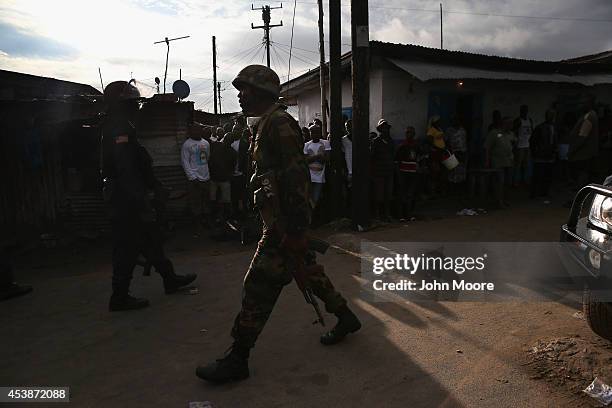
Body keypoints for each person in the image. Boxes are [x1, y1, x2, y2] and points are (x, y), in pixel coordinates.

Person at [196, 65, 361, 384]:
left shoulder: (279, 124)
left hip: (284, 228)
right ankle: (345, 317)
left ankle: (238, 358)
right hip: (280, 223)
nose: (240, 96)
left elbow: (296, 179)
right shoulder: (263, 124)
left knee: (257, 286)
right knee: (309, 272)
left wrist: (297, 231)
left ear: (261, 92)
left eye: (244, 90)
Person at [100, 81, 196, 311]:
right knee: (127, 248)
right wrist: (141, 199)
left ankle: (169, 278)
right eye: (132, 103)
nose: (137, 108)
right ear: (121, 105)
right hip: (126, 200)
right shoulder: (118, 128)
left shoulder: (123, 126)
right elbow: (126, 170)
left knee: (151, 241)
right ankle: (119, 296)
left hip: (129, 196)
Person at [181, 123, 211, 237]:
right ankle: (197, 226)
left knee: (206, 201)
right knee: (195, 203)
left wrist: (206, 175)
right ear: (190, 131)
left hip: (206, 177)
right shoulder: (187, 145)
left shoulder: (206, 143)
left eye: (199, 130)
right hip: (194, 180)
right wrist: (193, 178)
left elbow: (207, 158)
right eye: (195, 130)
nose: (197, 132)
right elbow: (185, 162)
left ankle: (206, 222)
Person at [485, 116, 516, 208]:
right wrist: (487, 161)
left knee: (507, 182)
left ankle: (505, 200)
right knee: (499, 182)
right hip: (498, 161)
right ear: (504, 124)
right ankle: (499, 201)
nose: (511, 125)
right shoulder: (495, 133)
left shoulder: (511, 134)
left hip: (509, 161)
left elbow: (514, 143)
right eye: (509, 123)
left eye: (511, 124)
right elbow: (487, 148)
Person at [569, 97, 599, 189]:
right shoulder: (592, 115)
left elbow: (582, 137)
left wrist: (572, 150)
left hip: (583, 154)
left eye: (583, 103)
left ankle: (579, 199)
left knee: (581, 177)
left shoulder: (588, 117)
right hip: (588, 153)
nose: (580, 106)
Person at [208, 133, 237, 223]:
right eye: (226, 139)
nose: (226, 141)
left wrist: (229, 176)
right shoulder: (215, 146)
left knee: (225, 200)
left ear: (231, 142)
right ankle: (216, 217)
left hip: (223, 179)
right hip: (214, 178)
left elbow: (233, 167)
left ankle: (225, 217)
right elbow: (210, 160)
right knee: (214, 199)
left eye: (228, 140)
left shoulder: (233, 152)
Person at [371, 119, 395, 220]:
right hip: (379, 172)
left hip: (389, 171)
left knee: (388, 194)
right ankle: (377, 215)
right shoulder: (376, 142)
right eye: (383, 128)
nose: (386, 130)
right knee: (379, 195)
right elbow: (372, 157)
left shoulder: (390, 141)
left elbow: (393, 155)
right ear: (380, 130)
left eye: (387, 128)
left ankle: (387, 214)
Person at [530, 109, 557, 201]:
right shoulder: (540, 127)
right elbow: (533, 141)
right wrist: (535, 152)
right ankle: (534, 193)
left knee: (547, 175)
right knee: (538, 175)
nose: (551, 117)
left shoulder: (554, 127)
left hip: (550, 155)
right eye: (549, 115)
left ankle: (544, 192)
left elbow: (554, 141)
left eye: (552, 116)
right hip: (540, 156)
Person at [394, 126, 419, 220]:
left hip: (413, 173)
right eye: (408, 132)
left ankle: (409, 214)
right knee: (402, 194)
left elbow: (418, 158)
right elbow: (396, 162)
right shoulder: (402, 146)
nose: (409, 134)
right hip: (403, 173)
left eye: (411, 132)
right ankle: (400, 215)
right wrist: (399, 174)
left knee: (410, 194)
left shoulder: (416, 146)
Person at [303, 124, 331, 208]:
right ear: (310, 133)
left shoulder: (325, 143)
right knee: (309, 199)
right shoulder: (306, 145)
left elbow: (326, 159)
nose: (315, 134)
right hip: (309, 177)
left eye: (317, 132)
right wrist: (318, 156)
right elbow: (305, 161)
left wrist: (311, 157)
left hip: (319, 177)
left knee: (316, 198)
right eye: (313, 132)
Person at [230, 127, 250, 220]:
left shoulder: (244, 143)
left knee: (242, 194)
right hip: (231, 173)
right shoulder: (228, 142)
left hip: (241, 173)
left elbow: (247, 159)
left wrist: (246, 171)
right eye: (234, 130)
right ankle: (235, 212)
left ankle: (243, 212)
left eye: (237, 130)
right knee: (233, 195)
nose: (235, 131)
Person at [445, 116, 468, 191]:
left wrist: (464, 153)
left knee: (461, 172)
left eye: (457, 120)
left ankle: (459, 190)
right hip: (452, 153)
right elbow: (446, 142)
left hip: (462, 153)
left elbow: (465, 142)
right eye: (454, 120)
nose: (456, 122)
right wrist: (450, 152)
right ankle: (451, 190)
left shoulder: (463, 130)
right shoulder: (449, 130)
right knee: (451, 172)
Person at [512, 105, 533, 187]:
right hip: (520, 145)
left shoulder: (529, 120)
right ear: (520, 111)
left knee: (526, 165)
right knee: (518, 165)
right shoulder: (518, 120)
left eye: (526, 110)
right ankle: (515, 182)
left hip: (527, 145)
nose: (524, 112)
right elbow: (513, 131)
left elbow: (532, 130)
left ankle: (525, 181)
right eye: (523, 110)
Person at [426, 115, 447, 196]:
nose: (440, 122)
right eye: (438, 121)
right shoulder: (431, 130)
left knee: (442, 172)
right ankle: (433, 192)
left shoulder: (439, 129)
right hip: (435, 153)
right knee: (434, 173)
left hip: (441, 153)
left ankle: (440, 191)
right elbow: (430, 142)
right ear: (434, 122)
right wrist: (438, 148)